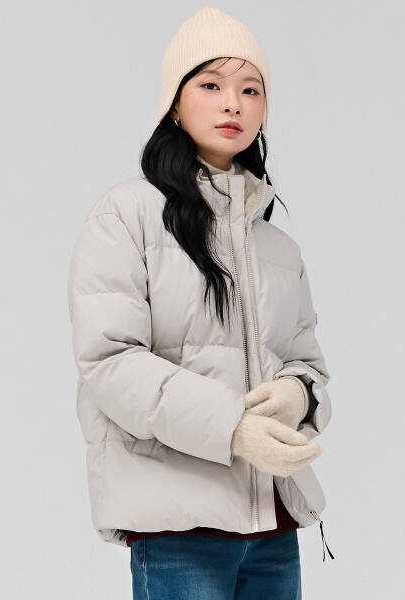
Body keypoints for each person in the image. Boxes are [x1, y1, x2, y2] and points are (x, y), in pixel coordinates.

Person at [67, 6, 334, 599]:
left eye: (250, 89)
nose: (232, 104)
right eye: (210, 85)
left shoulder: (278, 247)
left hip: (273, 525)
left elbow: (309, 365)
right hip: (178, 526)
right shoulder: (126, 215)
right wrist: (233, 427)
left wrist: (298, 394)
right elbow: (110, 362)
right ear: (174, 104)